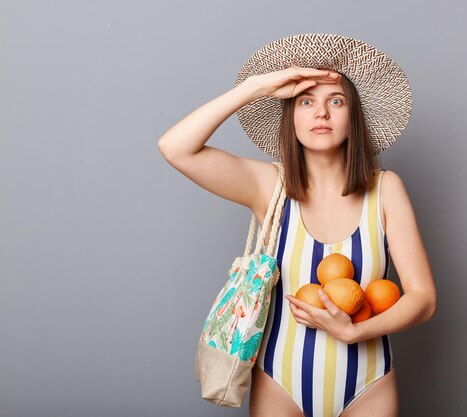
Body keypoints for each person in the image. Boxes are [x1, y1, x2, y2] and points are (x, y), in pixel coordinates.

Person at [158, 33, 437, 417]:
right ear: (290, 117)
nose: (320, 113)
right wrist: (257, 87)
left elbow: (423, 299)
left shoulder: (385, 190)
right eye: (306, 102)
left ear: (353, 120)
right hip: (280, 383)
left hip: (368, 384)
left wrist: (354, 332)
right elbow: (176, 147)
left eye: (335, 101)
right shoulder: (269, 186)